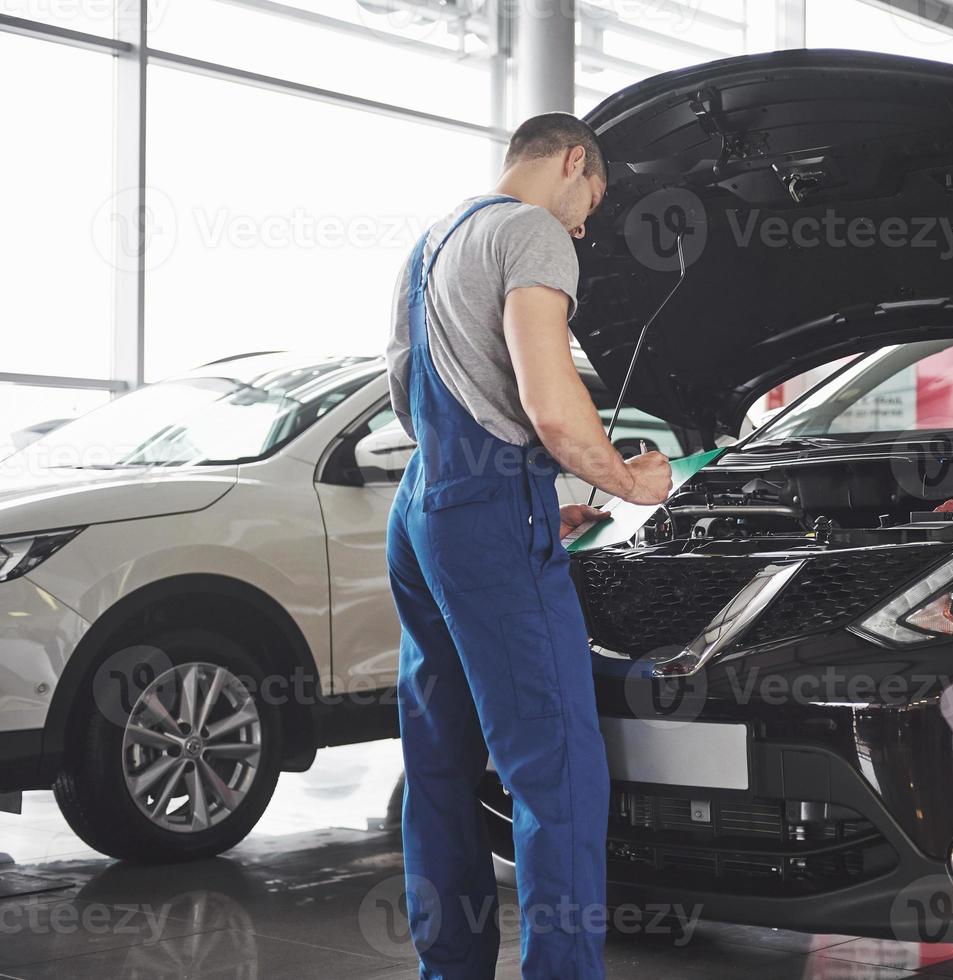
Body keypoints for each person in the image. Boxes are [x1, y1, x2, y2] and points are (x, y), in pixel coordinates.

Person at [384, 112, 673, 980]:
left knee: (439, 758)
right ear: (573, 161)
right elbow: (551, 406)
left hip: (424, 506)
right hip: (483, 512)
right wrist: (627, 481)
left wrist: (522, 504)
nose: (583, 224)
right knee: (557, 772)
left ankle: (452, 969)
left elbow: (411, 394)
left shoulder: (432, 241)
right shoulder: (534, 234)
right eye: (591, 201)